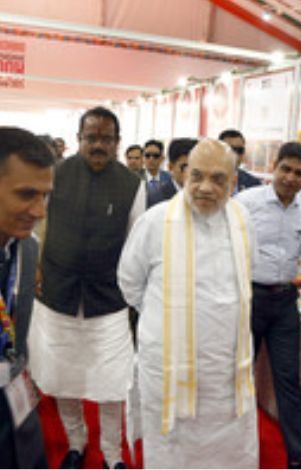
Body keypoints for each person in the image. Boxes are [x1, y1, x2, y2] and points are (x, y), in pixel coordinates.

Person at [118, 139, 258, 468]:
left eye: (218, 178)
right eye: (197, 176)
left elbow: (246, 280)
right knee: (171, 452)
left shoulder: (243, 221)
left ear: (234, 182)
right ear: (183, 174)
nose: (205, 188)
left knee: (228, 455)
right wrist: (167, 317)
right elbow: (129, 284)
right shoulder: (155, 222)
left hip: (226, 374)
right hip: (168, 369)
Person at [28, 107, 145, 469]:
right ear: (78, 139)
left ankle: (113, 455)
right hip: (57, 295)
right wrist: (35, 266)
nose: (98, 145)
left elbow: (135, 243)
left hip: (108, 301)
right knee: (63, 376)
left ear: (117, 143)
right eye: (91, 137)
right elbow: (36, 226)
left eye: (106, 138)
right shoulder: (55, 175)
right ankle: (76, 443)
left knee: (113, 382)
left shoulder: (132, 184)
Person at [235, 142, 301, 469]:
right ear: (274, 166)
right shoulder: (246, 203)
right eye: (285, 169)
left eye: (299, 173)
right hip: (249, 300)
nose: (290, 177)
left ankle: (299, 459)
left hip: (286, 302)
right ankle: (235, 451)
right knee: (240, 377)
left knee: (289, 381)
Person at [0, 127, 54, 469]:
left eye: (45, 195)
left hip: (15, 404)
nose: (39, 211)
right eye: (26, 194)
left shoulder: (28, 248)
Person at [147, 138, 197, 207]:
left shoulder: (202, 196)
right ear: (171, 167)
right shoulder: (156, 199)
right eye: (185, 167)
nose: (191, 173)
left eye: (196, 168)